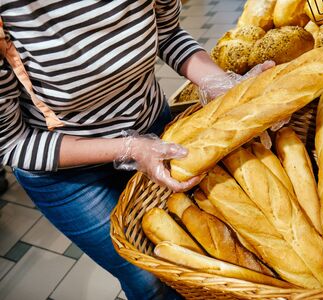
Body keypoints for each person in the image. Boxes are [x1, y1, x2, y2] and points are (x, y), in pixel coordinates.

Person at [0, 1, 273, 299]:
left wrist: (221, 83)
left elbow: (167, 35)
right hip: (68, 176)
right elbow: (12, 142)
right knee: (149, 281)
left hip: (155, 129)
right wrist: (129, 148)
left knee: (199, 260)